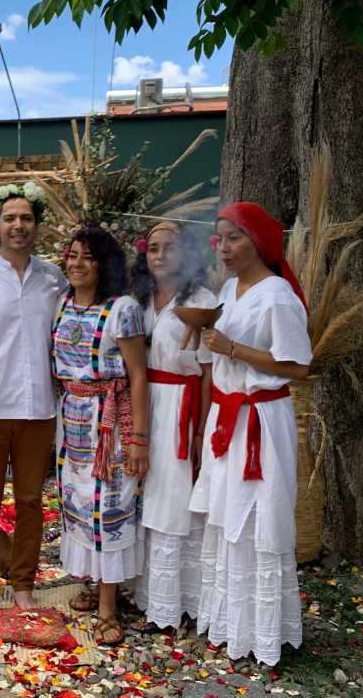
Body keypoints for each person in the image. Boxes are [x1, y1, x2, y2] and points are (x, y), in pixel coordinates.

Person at [191, 202, 311, 666]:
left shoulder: (277, 294)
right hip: (229, 419)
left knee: (259, 517)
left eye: (234, 237)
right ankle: (230, 624)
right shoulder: (233, 289)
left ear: (259, 242)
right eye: (219, 238)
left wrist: (234, 349)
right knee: (228, 516)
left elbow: (298, 366)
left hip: (261, 419)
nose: (223, 247)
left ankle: (264, 632)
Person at [0, 181, 68, 613]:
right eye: (10, 219)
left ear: (36, 225)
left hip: (40, 408)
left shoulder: (53, 279)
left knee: (29, 502)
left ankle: (23, 583)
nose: (18, 225)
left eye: (25, 218)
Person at [52, 226, 149, 646]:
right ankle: (95, 583)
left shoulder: (123, 309)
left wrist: (139, 439)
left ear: (103, 264)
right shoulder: (63, 303)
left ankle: (110, 607)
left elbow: (139, 375)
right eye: (72, 255)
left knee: (109, 505)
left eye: (86, 257)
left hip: (109, 422)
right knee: (78, 505)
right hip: (71, 419)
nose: (76, 263)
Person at [130, 222, 215, 633]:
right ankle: (145, 592)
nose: (160, 256)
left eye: (171, 248)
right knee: (145, 497)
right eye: (154, 249)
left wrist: (201, 431)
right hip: (146, 405)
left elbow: (209, 373)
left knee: (175, 499)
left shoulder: (202, 302)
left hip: (183, 405)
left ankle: (179, 602)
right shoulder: (139, 300)